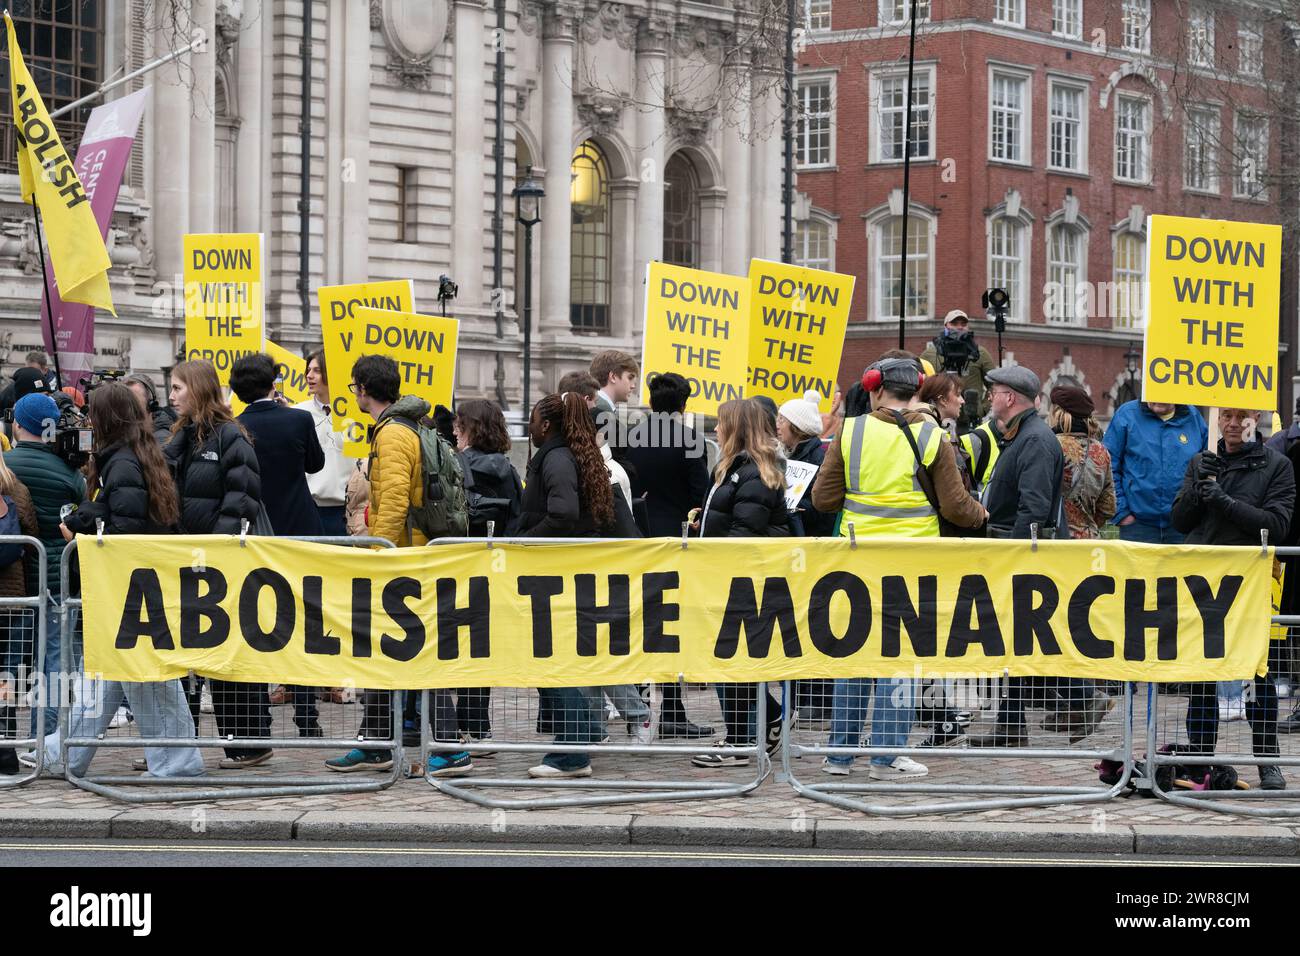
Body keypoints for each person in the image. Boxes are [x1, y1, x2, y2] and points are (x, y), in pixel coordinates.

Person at [812, 356, 986, 777]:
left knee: (854, 655)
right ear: (917, 392)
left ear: (874, 389)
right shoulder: (932, 437)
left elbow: (821, 499)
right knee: (901, 658)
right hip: (914, 564)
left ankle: (839, 756)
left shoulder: (850, 431)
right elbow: (956, 507)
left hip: (856, 562)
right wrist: (981, 515)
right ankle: (886, 758)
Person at [325, 355, 471, 777]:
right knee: (390, 654)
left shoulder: (390, 434)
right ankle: (376, 743)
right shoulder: (410, 425)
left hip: (402, 560)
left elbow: (391, 507)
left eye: (355, 388)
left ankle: (447, 747)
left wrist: (376, 555)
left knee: (415, 654)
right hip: (413, 553)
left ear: (363, 390)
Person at [59, 383, 204, 779]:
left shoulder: (120, 462)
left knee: (142, 677)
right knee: (118, 677)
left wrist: (83, 532)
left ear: (107, 418)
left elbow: (125, 528)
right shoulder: (130, 457)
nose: (87, 419)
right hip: (137, 588)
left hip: (131, 589)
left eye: (92, 412)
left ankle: (177, 762)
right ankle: (65, 754)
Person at [968, 366, 1107, 747]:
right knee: (1019, 642)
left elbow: (1033, 507)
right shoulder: (1024, 435)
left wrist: (1012, 555)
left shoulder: (1033, 439)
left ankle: (1083, 696)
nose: (991, 397)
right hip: (1023, 552)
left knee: (1039, 637)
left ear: (1010, 397)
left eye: (995, 391)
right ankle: (1012, 727)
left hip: (1025, 555)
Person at [1170, 408, 1293, 791]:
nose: (1233, 423)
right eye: (1226, 416)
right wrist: (1197, 488)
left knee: (1258, 674)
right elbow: (1180, 520)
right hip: (1203, 582)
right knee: (1203, 674)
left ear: (1255, 418)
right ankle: (1202, 760)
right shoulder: (1201, 460)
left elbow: (1276, 525)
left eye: (1242, 416)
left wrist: (1223, 500)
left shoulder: (1276, 465)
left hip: (1250, 583)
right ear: (1216, 420)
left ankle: (1267, 760)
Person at [165, 359, 270, 768]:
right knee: (184, 655)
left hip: (220, 566)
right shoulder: (181, 437)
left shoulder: (231, 436)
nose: (171, 396)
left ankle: (248, 741)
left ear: (198, 388)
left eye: (177, 388)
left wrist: (216, 549)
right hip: (185, 563)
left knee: (228, 654)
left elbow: (242, 497)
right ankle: (178, 742)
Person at [517, 391, 615, 777]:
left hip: (551, 571)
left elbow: (562, 513)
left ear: (546, 424)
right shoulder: (567, 454)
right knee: (559, 660)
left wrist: (525, 541)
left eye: (532, 418)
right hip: (563, 572)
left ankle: (571, 754)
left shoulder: (556, 458)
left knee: (551, 661)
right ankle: (582, 735)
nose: (529, 425)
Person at [690, 399, 790, 769]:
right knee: (731, 661)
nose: (715, 429)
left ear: (737, 428)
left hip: (742, 582)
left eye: (721, 424)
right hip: (727, 578)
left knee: (732, 661)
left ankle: (741, 739)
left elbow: (745, 531)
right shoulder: (732, 468)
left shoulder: (752, 473)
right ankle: (761, 724)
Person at [232, 353, 326, 738]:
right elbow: (316, 465)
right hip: (300, 526)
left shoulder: (235, 427)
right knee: (302, 620)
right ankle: (307, 715)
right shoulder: (299, 419)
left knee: (253, 622)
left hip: (254, 531)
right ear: (273, 383)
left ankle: (259, 719)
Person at [622, 372, 714, 739]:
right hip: (677, 543)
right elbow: (700, 497)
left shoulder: (630, 437)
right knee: (674, 629)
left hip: (639, 538)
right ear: (684, 404)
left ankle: (644, 710)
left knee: (648, 627)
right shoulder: (691, 440)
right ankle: (672, 712)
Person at [5, 391, 86, 767]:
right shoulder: (69, 473)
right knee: (53, 662)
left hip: (12, 581)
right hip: (56, 580)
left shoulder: (5, 465)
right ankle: (45, 739)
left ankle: (7, 738)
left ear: (18, 424)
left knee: (10, 661)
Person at [451, 398, 523, 747]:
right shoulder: (508, 470)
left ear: (469, 428)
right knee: (481, 645)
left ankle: (458, 727)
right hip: (497, 565)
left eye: (458, 424)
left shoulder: (457, 464)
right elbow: (519, 517)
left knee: (458, 645)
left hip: (461, 562)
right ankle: (478, 724)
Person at [1103, 399, 1206, 544]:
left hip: (1183, 525)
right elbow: (1108, 465)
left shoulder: (1193, 417)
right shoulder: (1127, 415)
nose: (1159, 398)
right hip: (1137, 526)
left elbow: (1206, 466)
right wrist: (1122, 513)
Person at [0, 456, 38, 774]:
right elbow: (33, 535)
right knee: (6, 679)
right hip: (16, 599)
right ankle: (5, 754)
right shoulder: (17, 489)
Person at [294, 350, 352, 537]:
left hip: (346, 512)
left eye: (317, 370)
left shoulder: (355, 414)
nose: (309, 376)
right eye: (308, 370)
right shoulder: (297, 413)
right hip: (309, 508)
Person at [1048, 385, 1115, 540]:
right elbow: (1108, 507)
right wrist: (1085, 525)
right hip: (1089, 542)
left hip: (1054, 541)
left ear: (1057, 413)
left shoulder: (1049, 445)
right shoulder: (1100, 451)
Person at [918, 310, 996, 430]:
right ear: (946, 326)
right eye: (954, 324)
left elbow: (994, 384)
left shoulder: (979, 353)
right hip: (937, 420)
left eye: (963, 324)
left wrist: (982, 408)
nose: (959, 327)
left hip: (970, 421)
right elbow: (918, 385)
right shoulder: (930, 354)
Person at [589, 349, 638, 479]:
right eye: (630, 377)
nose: (633, 386)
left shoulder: (599, 405)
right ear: (613, 377)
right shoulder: (601, 409)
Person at [124, 374, 178, 446]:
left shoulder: (162, 441)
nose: (127, 408)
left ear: (151, 405)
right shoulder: (128, 434)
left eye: (134, 402)